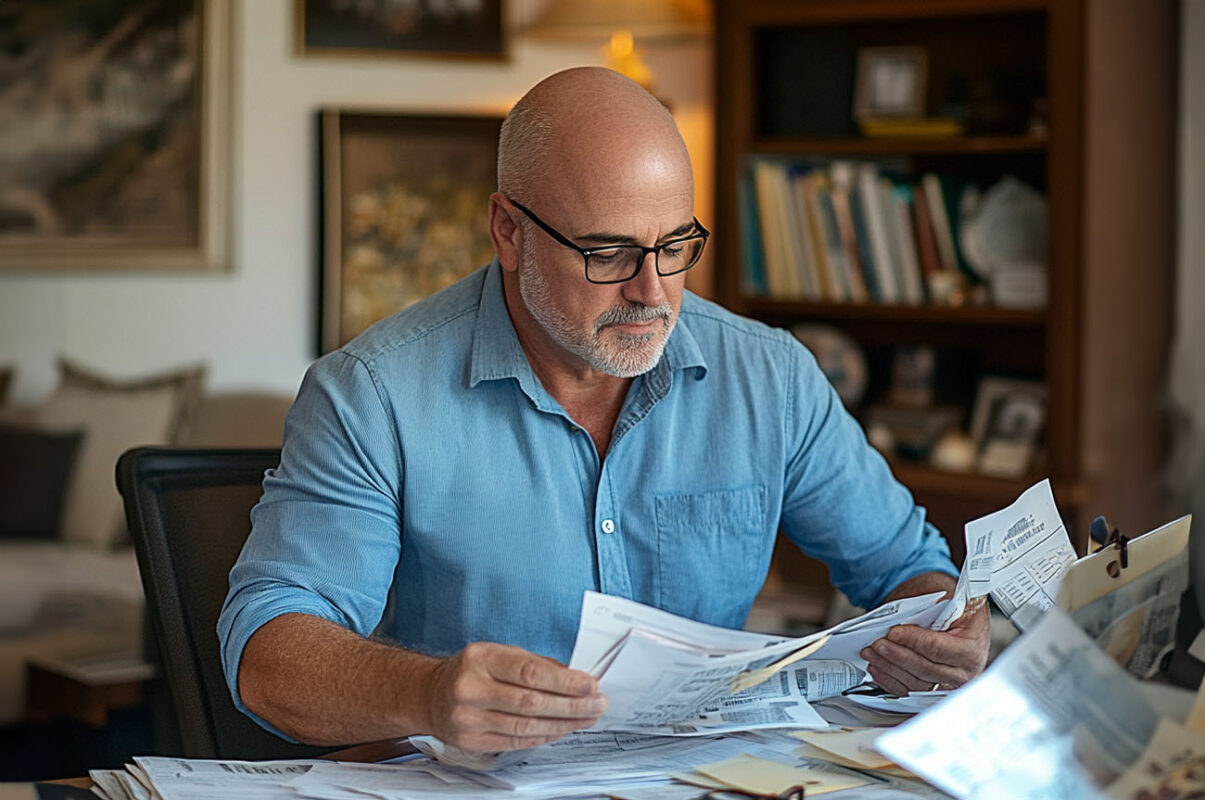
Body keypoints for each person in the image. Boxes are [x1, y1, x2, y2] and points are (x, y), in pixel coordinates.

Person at [218, 67, 988, 755]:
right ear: (509, 231)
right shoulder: (372, 394)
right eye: (608, 254)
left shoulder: (770, 376)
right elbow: (267, 658)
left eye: (676, 244)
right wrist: (424, 693)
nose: (652, 293)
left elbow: (905, 566)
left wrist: (944, 626)